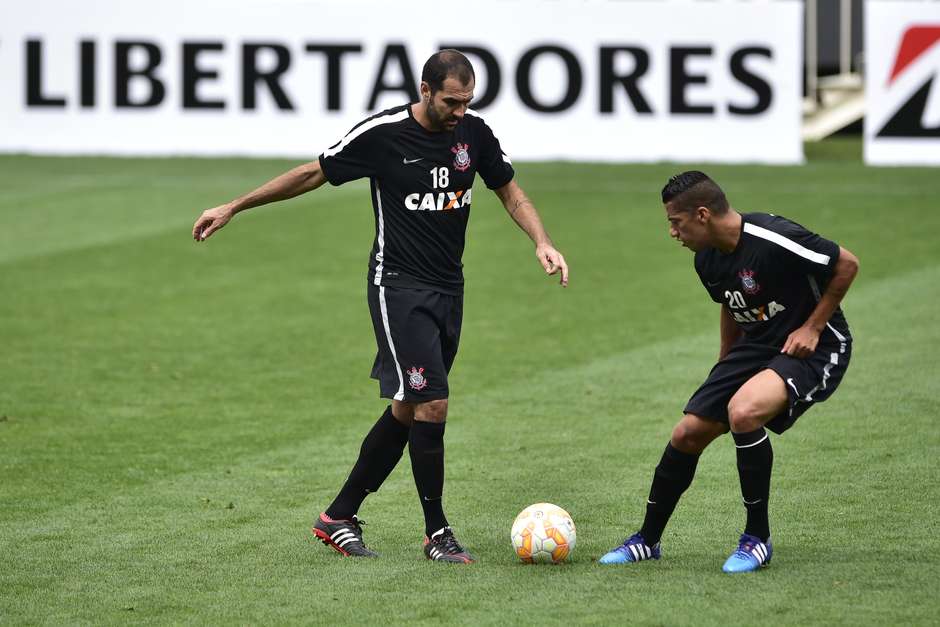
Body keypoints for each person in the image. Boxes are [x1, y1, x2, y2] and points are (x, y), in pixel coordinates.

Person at [191, 50, 568, 563]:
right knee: (433, 402)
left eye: (467, 101)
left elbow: (511, 193)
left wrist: (541, 241)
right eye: (451, 101)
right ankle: (437, 532)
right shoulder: (384, 134)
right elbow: (311, 173)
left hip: (448, 289)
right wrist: (233, 206)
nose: (459, 111)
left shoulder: (474, 135)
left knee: (408, 409)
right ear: (425, 90)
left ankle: (338, 516)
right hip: (397, 288)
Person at [599, 171, 858, 573]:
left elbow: (846, 264)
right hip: (753, 347)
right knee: (687, 434)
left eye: (675, 221)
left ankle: (757, 539)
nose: (672, 232)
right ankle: (647, 540)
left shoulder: (774, 238)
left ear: (702, 215)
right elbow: (730, 301)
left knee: (744, 412)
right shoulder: (706, 258)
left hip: (815, 346)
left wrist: (813, 326)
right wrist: (725, 360)